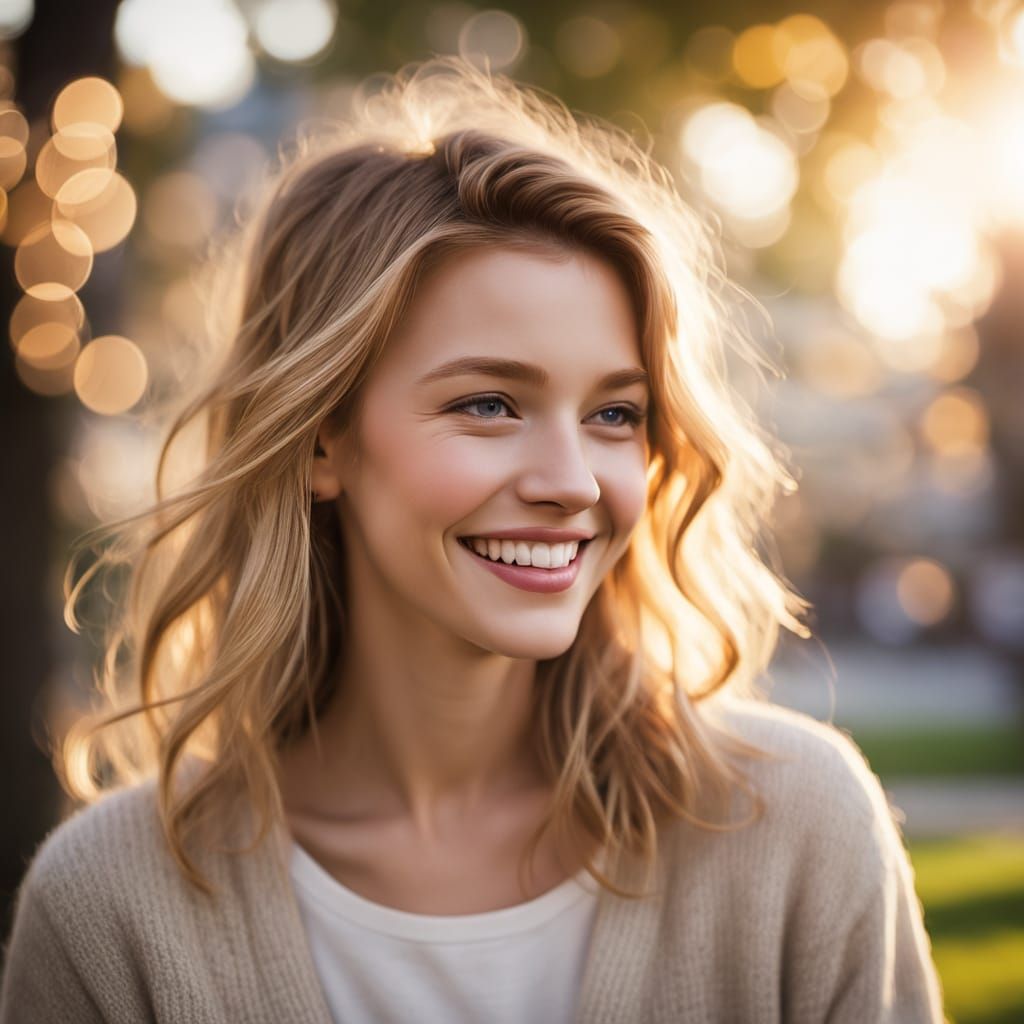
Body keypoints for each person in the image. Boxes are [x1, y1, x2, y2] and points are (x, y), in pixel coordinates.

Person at [0, 57, 944, 1023]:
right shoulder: (108, 907)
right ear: (321, 439)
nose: (572, 482)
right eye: (490, 404)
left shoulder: (798, 831)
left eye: (615, 414)